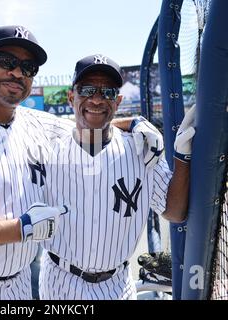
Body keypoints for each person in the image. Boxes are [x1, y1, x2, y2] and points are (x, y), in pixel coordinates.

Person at [0, 26, 164, 300]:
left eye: (28, 68)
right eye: (6, 61)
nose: (17, 72)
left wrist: (132, 124)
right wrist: (20, 228)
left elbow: (90, 120)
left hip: (20, 286)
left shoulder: (36, 124)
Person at [39, 54, 194, 300]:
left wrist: (182, 158)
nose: (97, 99)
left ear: (118, 101)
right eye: (87, 90)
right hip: (60, 281)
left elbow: (174, 212)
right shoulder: (48, 148)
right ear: (71, 97)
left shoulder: (142, 148)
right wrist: (133, 121)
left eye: (108, 92)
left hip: (117, 286)